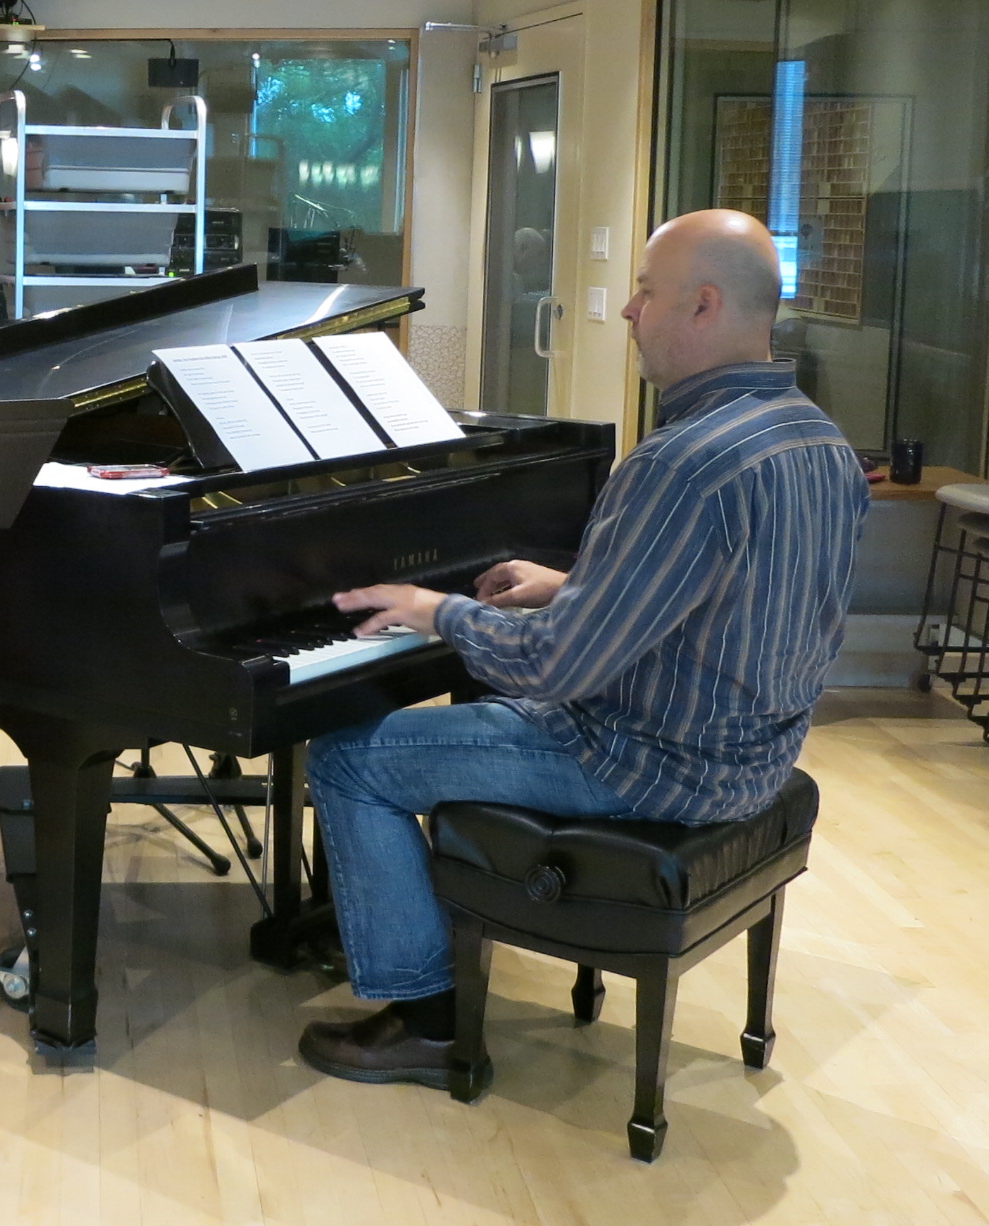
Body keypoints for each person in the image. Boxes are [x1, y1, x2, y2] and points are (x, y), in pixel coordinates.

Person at [298, 208, 868, 1085]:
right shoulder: (817, 442)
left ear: (705, 306)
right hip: (755, 759)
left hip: (648, 765)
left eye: (647, 291)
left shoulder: (680, 461)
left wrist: (432, 608)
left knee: (345, 758)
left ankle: (425, 1016)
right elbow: (748, 598)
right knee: (461, 715)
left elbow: (556, 665)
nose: (630, 311)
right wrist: (576, 588)